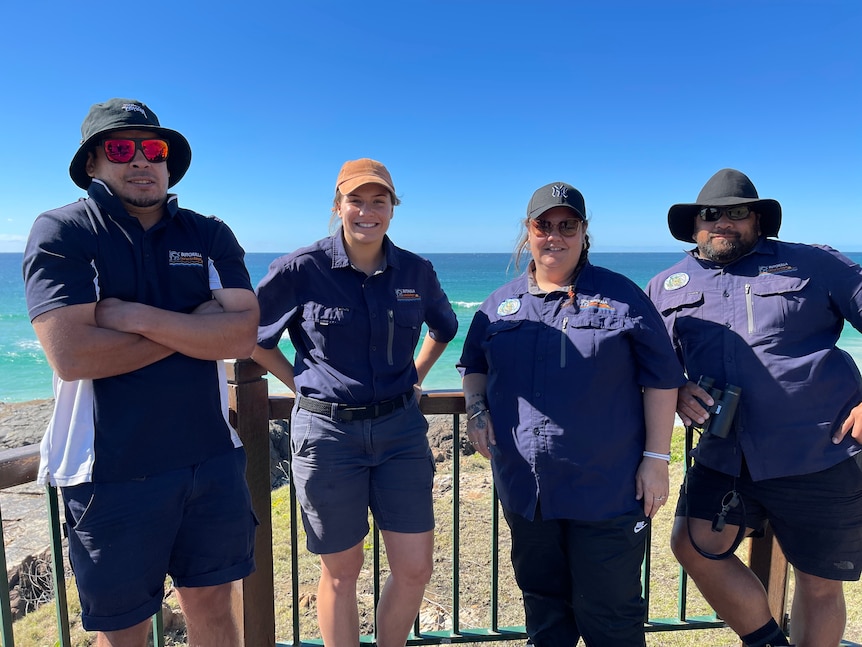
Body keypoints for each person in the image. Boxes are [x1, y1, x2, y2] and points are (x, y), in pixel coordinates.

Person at [22, 98, 260, 647]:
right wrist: (193, 330)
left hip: (211, 459)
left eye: (153, 149)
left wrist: (138, 317)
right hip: (109, 473)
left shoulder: (207, 233)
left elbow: (243, 334)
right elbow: (75, 355)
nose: (140, 161)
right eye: (120, 148)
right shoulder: (63, 232)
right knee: (123, 632)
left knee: (215, 611)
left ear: (169, 164)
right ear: (92, 164)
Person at [457, 182, 684, 646]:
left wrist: (656, 460)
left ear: (584, 232)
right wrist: (477, 411)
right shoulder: (498, 305)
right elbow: (473, 367)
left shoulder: (623, 297)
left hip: (606, 489)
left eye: (567, 226)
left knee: (611, 616)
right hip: (527, 491)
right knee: (545, 614)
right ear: (529, 231)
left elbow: (663, 379)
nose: (554, 236)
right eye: (544, 225)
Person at [646, 168, 862, 647]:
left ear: (758, 219)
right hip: (724, 455)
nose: (722, 222)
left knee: (818, 580)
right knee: (691, 545)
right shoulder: (664, 286)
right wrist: (678, 388)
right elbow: (650, 366)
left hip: (818, 453)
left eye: (737, 212)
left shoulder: (813, 263)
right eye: (709, 214)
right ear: (694, 225)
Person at [252, 158, 458, 647]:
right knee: (342, 573)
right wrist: (297, 383)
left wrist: (415, 378)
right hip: (328, 437)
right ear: (338, 206)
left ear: (392, 208)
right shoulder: (302, 268)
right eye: (356, 200)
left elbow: (444, 328)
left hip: (401, 433)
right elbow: (252, 337)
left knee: (415, 568)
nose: (367, 211)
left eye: (379, 201)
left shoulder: (416, 270)